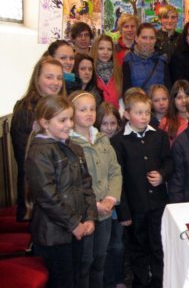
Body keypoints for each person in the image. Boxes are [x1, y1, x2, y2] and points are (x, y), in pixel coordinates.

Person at [25, 95, 97, 288]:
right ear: (45, 123)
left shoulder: (73, 148)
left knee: (77, 277)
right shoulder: (39, 152)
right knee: (62, 281)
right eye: (62, 120)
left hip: (77, 229)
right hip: (54, 235)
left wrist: (89, 217)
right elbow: (47, 197)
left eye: (70, 119)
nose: (69, 125)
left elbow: (86, 185)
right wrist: (73, 224)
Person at [110, 92, 173, 288]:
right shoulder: (118, 141)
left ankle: (158, 279)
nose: (144, 117)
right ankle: (140, 281)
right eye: (139, 112)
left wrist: (162, 174)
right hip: (135, 206)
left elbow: (169, 162)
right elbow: (117, 178)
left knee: (158, 244)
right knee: (138, 246)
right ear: (127, 114)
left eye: (147, 112)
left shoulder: (159, 136)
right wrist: (123, 212)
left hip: (158, 204)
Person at [69, 91, 122, 288]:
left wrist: (110, 199)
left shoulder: (102, 139)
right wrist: (94, 204)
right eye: (82, 109)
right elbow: (74, 183)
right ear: (72, 113)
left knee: (100, 258)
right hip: (85, 214)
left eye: (92, 109)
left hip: (106, 211)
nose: (89, 113)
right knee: (84, 262)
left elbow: (115, 171)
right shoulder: (70, 142)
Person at [11, 57, 65, 221]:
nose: (55, 82)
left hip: (58, 188)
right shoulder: (26, 110)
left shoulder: (56, 106)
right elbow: (27, 160)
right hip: (38, 193)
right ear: (37, 79)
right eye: (49, 77)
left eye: (59, 78)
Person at [95, 103, 126, 288]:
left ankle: (118, 278)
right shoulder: (96, 144)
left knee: (118, 244)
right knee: (103, 247)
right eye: (104, 123)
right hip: (100, 203)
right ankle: (106, 280)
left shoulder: (120, 143)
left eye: (113, 123)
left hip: (118, 202)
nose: (109, 128)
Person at [122, 22, 171, 93]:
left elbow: (168, 89)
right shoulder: (128, 61)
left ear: (155, 40)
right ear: (136, 38)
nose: (148, 42)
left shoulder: (162, 60)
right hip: (137, 103)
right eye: (144, 38)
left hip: (158, 103)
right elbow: (126, 92)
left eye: (151, 38)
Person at [91, 34, 122, 109]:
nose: (105, 52)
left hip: (114, 117)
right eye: (101, 48)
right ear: (95, 50)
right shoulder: (89, 71)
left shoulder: (118, 71)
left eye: (109, 49)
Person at [159, 80, 189, 144]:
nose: (184, 101)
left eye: (187, 97)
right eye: (179, 97)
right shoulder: (166, 122)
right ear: (173, 100)